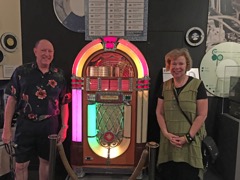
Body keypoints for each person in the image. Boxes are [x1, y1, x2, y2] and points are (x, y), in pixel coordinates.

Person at [1, 39, 71, 180]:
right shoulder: (22, 72)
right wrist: (6, 128)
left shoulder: (59, 75)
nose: (47, 54)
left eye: (50, 51)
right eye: (43, 50)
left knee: (46, 162)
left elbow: (65, 103)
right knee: (20, 165)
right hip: (25, 123)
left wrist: (64, 127)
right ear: (35, 51)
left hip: (49, 124)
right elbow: (12, 100)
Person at [156, 48, 208, 180]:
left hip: (190, 142)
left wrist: (187, 137)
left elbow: (202, 114)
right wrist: (166, 134)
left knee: (188, 175)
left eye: (181, 63)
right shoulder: (165, 86)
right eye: (174, 63)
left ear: (187, 65)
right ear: (169, 65)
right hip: (169, 142)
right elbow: (159, 112)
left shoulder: (197, 85)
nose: (177, 67)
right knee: (168, 174)